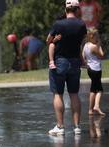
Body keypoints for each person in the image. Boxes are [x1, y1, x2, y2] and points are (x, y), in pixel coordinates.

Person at [48, 0, 87, 136]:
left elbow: (48, 41)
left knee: (58, 93)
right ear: (77, 10)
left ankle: (60, 127)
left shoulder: (59, 24)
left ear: (66, 9)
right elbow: (81, 41)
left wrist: (55, 40)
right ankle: (77, 127)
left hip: (60, 61)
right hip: (75, 62)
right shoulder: (82, 24)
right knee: (74, 94)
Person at [82, 29, 105, 115]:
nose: (98, 37)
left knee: (93, 89)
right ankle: (96, 106)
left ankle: (90, 110)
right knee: (99, 90)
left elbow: (83, 57)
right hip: (96, 69)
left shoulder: (86, 45)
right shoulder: (94, 47)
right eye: (97, 36)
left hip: (90, 69)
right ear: (93, 36)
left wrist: (87, 63)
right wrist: (99, 45)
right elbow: (102, 55)